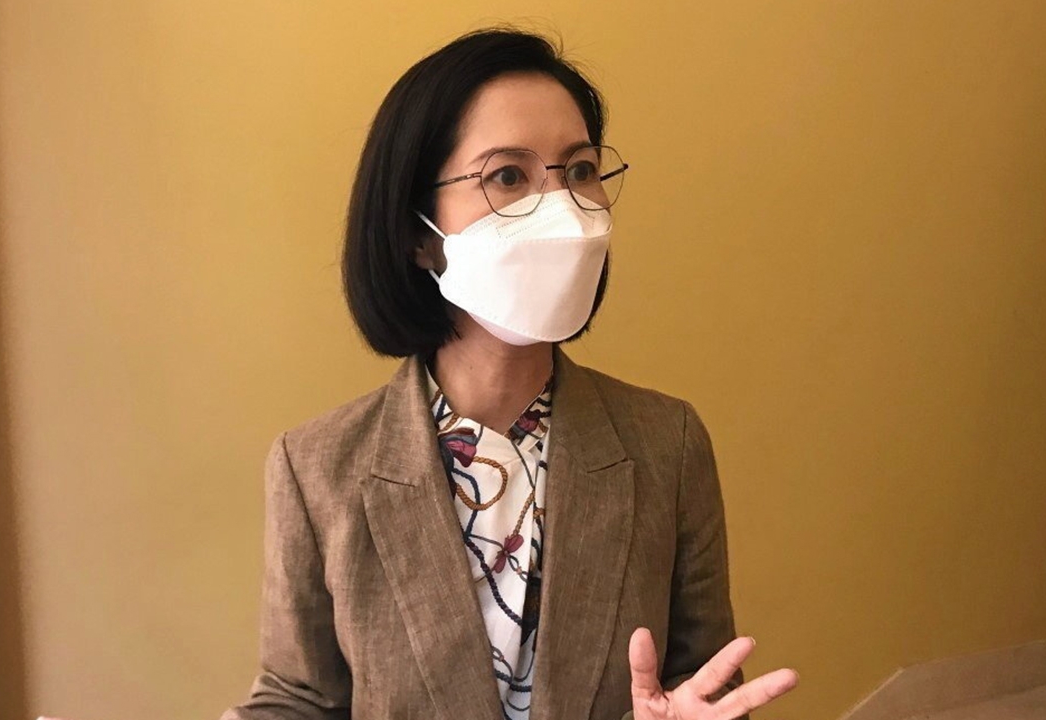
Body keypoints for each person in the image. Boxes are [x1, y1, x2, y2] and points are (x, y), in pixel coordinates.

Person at [222, 28, 798, 720]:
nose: (561, 210)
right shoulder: (315, 467)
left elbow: (703, 683)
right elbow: (296, 699)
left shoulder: (666, 442)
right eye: (507, 176)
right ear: (417, 233)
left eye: (579, 171)